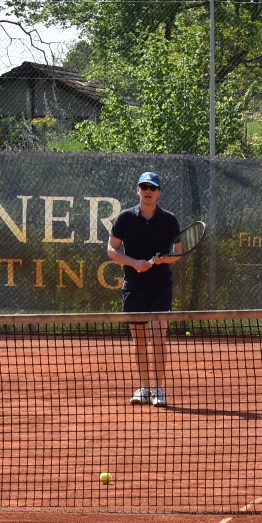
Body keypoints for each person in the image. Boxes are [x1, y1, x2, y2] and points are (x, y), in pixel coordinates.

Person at [107, 171, 183, 407]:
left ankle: (158, 388)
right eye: (144, 187)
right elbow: (111, 250)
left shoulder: (169, 220)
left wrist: (161, 260)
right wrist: (134, 263)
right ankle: (145, 387)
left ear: (159, 192)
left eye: (152, 188)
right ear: (138, 190)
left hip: (161, 286)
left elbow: (177, 254)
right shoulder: (125, 218)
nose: (148, 191)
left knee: (158, 337)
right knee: (139, 339)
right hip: (134, 286)